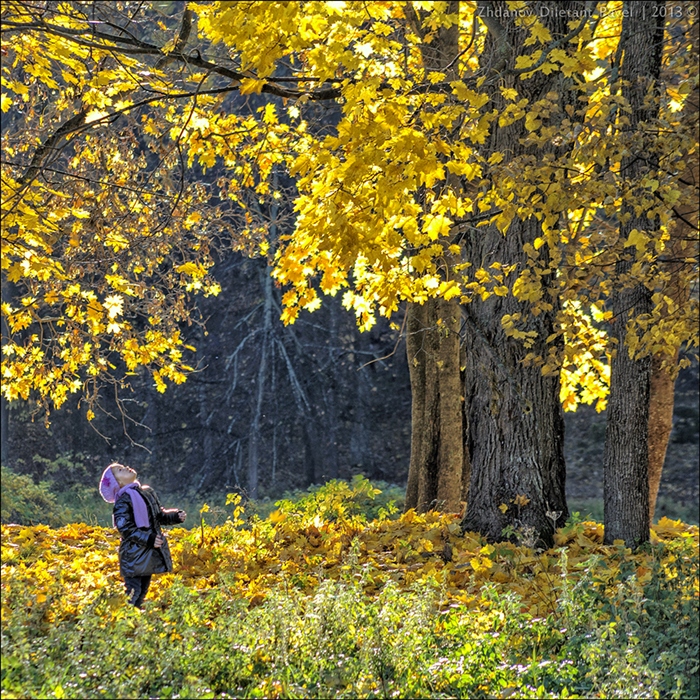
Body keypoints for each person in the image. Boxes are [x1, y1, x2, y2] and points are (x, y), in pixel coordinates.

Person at [99, 463, 186, 607]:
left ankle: (136, 618)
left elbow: (158, 515)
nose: (126, 467)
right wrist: (149, 538)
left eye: (123, 466)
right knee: (133, 590)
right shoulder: (123, 501)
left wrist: (174, 516)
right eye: (120, 470)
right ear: (118, 483)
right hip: (133, 553)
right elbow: (125, 528)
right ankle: (126, 619)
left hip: (148, 552)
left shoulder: (146, 492)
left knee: (143, 590)